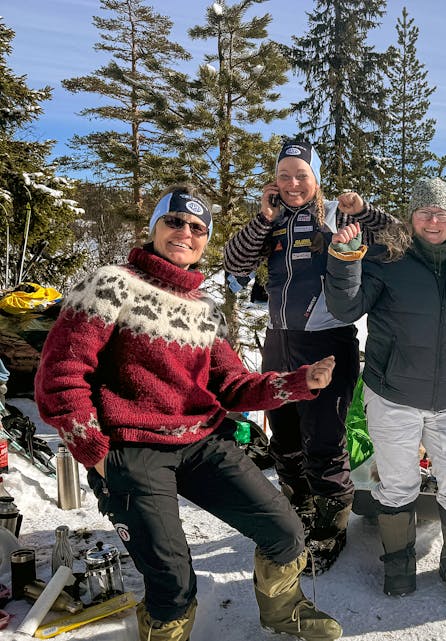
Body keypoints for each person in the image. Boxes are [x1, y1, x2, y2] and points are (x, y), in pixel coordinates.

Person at [34, 185, 342, 641]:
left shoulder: (203, 308)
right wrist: (95, 451)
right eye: (174, 221)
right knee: (171, 578)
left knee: (286, 531)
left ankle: (282, 610)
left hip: (200, 440)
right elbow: (61, 374)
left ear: (205, 239)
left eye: (197, 228)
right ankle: (166, 630)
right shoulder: (110, 283)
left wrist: (299, 382)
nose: (185, 232)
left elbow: (232, 386)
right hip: (130, 447)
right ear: (154, 228)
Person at [223, 140, 396, 570]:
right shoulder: (274, 219)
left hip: (327, 341)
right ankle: (298, 508)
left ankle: (329, 527)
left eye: (302, 175)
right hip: (279, 340)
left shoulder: (337, 213)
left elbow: (397, 239)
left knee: (323, 440)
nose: (293, 184)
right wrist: (262, 218)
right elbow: (235, 264)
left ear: (316, 179)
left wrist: (364, 210)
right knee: (283, 438)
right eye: (284, 176)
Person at [323, 177, 446, 609]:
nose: (433, 220)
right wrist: (342, 258)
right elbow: (346, 307)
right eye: (424, 212)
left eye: (441, 213)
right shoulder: (387, 258)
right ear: (412, 218)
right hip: (392, 393)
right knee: (396, 484)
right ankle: (398, 562)